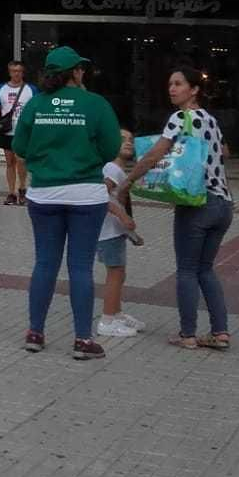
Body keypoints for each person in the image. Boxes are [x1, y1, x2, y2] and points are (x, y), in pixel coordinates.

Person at [11, 46, 121, 360]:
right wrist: (84, 161)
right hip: (87, 196)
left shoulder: (36, 104)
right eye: (81, 69)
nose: (83, 73)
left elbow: (20, 145)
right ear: (74, 72)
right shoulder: (95, 104)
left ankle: (35, 332)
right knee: (80, 268)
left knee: (45, 263)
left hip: (44, 194)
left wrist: (46, 162)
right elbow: (112, 146)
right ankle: (83, 340)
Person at [116, 64, 233, 351]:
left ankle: (188, 334)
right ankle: (220, 333)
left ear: (194, 90)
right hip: (223, 204)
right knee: (206, 270)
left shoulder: (180, 117)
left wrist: (129, 180)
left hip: (196, 206)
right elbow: (225, 153)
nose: (172, 88)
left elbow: (157, 153)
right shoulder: (211, 120)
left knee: (187, 270)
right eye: (170, 83)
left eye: (179, 84)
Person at [95, 130, 146, 338]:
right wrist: (122, 216)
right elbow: (100, 193)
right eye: (122, 140)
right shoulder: (112, 168)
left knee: (119, 273)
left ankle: (116, 313)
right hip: (107, 232)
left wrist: (131, 233)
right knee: (115, 273)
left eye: (131, 140)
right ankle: (107, 320)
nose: (128, 143)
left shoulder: (118, 170)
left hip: (114, 232)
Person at [0, 60, 33, 205]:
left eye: (19, 71)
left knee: (21, 161)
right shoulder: (2, 89)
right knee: (9, 162)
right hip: (6, 131)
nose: (16, 73)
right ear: (9, 72)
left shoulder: (31, 89)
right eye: (13, 71)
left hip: (24, 132)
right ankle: (11, 192)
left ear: (23, 72)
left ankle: (22, 188)